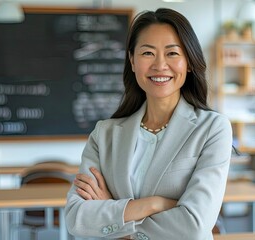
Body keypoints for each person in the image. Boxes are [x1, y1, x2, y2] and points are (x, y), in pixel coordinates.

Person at [65, 8, 232, 240]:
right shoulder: (104, 134)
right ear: (132, 61)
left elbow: (194, 225)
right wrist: (155, 204)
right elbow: (76, 218)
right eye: (147, 53)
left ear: (190, 62)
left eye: (172, 53)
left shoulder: (213, 128)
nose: (160, 65)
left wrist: (115, 213)